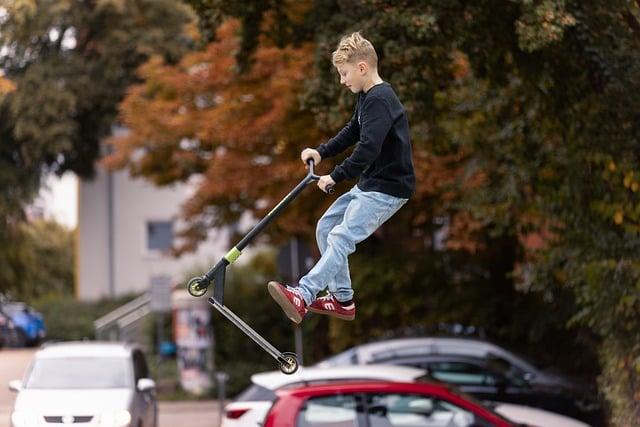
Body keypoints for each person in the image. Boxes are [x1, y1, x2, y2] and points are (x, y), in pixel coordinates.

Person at [268, 31, 415, 324]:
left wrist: (335, 176)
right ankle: (342, 300)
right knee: (326, 227)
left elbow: (368, 148)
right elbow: (353, 131)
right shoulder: (366, 98)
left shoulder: (380, 99)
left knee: (340, 236)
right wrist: (321, 153)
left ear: (362, 68)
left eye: (344, 73)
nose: (342, 80)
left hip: (388, 189)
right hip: (371, 185)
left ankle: (304, 294)